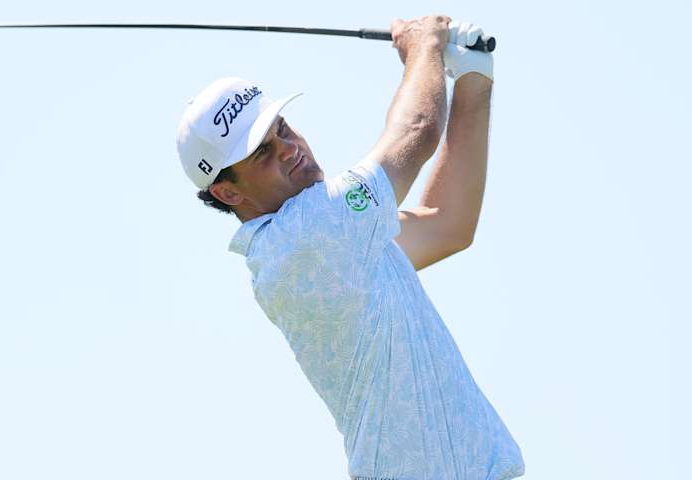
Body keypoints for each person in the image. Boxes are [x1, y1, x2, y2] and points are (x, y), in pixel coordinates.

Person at [176, 15, 524, 480]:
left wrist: (473, 80)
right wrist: (424, 46)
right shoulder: (305, 238)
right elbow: (417, 130)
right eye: (262, 152)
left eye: (282, 128)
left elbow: (447, 224)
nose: (288, 148)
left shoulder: (333, 243)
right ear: (228, 192)